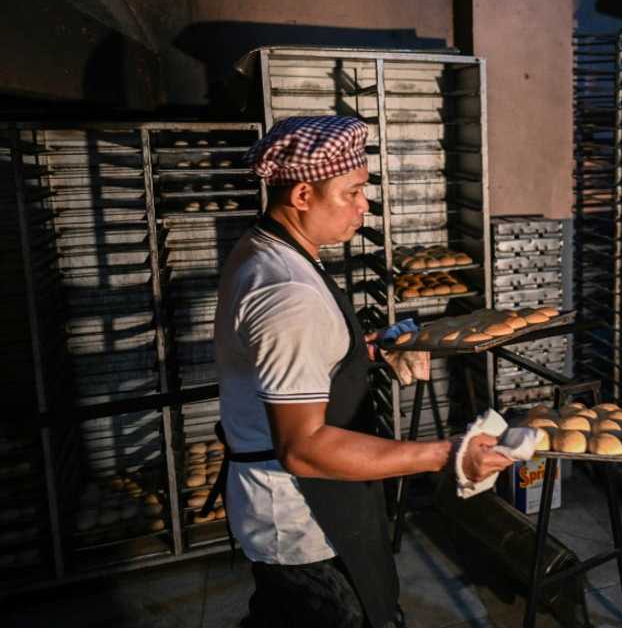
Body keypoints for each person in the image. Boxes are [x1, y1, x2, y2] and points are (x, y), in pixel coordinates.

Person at [213, 115, 514, 628]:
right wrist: (448, 455)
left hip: (309, 504)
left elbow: (291, 362)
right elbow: (304, 447)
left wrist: (365, 352)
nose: (364, 205)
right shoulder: (287, 292)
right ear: (303, 194)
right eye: (351, 192)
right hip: (307, 520)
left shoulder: (267, 247)